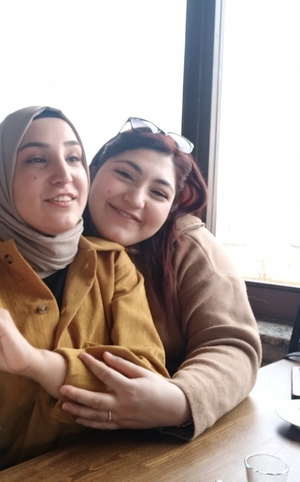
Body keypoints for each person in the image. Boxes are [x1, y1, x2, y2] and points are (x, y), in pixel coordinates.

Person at [0, 106, 168, 470]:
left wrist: (36, 364)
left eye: (73, 158)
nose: (64, 175)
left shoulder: (113, 265)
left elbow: (147, 381)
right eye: (38, 159)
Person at [59, 117, 262, 438]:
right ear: (92, 171)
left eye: (158, 192)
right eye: (125, 175)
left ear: (172, 207)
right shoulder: (52, 232)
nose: (135, 199)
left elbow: (231, 345)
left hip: (154, 441)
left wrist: (180, 400)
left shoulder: (189, 247)